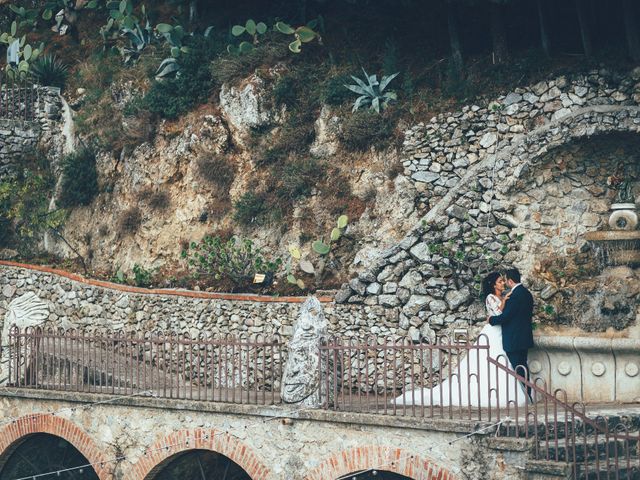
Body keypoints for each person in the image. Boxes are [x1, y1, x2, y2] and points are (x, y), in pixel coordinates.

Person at [394, 271, 526, 407]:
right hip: (493, 331)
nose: (503, 283)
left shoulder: (504, 296)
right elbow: (498, 314)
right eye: (500, 281)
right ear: (493, 285)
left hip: (503, 332)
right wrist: (504, 301)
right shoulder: (490, 298)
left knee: (502, 361)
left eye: (503, 281)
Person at [487, 268, 534, 400]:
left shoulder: (514, 296)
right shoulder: (527, 294)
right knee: (523, 367)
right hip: (524, 337)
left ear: (510, 281)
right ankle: (527, 394)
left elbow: (505, 317)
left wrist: (491, 319)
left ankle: (525, 397)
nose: (505, 283)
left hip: (513, 338)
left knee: (518, 368)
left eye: (505, 281)